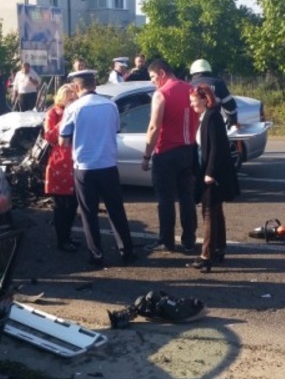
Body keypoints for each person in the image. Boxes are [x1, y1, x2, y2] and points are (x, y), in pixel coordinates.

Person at [59, 69, 136, 268]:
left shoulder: (74, 108)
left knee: (89, 213)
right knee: (116, 210)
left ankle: (97, 255)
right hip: (108, 164)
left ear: (77, 87)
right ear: (95, 84)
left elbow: (63, 141)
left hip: (85, 167)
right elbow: (116, 129)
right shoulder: (111, 105)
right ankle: (127, 251)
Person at [142, 59, 198, 253]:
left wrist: (147, 155)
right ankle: (189, 239)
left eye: (153, 77)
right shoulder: (191, 89)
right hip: (188, 150)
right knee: (187, 197)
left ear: (162, 73)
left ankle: (166, 240)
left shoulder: (162, 93)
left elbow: (154, 126)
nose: (152, 82)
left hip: (166, 152)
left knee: (165, 199)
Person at [187, 85, 240, 273]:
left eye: (193, 99)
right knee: (216, 211)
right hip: (211, 172)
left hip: (213, 174)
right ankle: (219, 249)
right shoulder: (207, 116)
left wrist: (210, 172)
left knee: (209, 213)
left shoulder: (212, 117)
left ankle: (206, 256)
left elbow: (216, 148)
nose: (191, 103)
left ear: (204, 99)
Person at [44, 84, 80, 252]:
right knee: (61, 205)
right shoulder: (53, 113)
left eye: (74, 98)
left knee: (73, 204)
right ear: (61, 98)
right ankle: (62, 240)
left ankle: (68, 236)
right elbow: (49, 136)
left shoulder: (79, 111)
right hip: (59, 163)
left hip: (74, 161)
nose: (72, 101)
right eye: (69, 98)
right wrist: (64, 120)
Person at [189, 59, 238, 128]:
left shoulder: (189, 86)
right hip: (214, 123)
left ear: (193, 72)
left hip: (194, 127)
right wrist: (232, 121)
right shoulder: (218, 83)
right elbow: (230, 106)